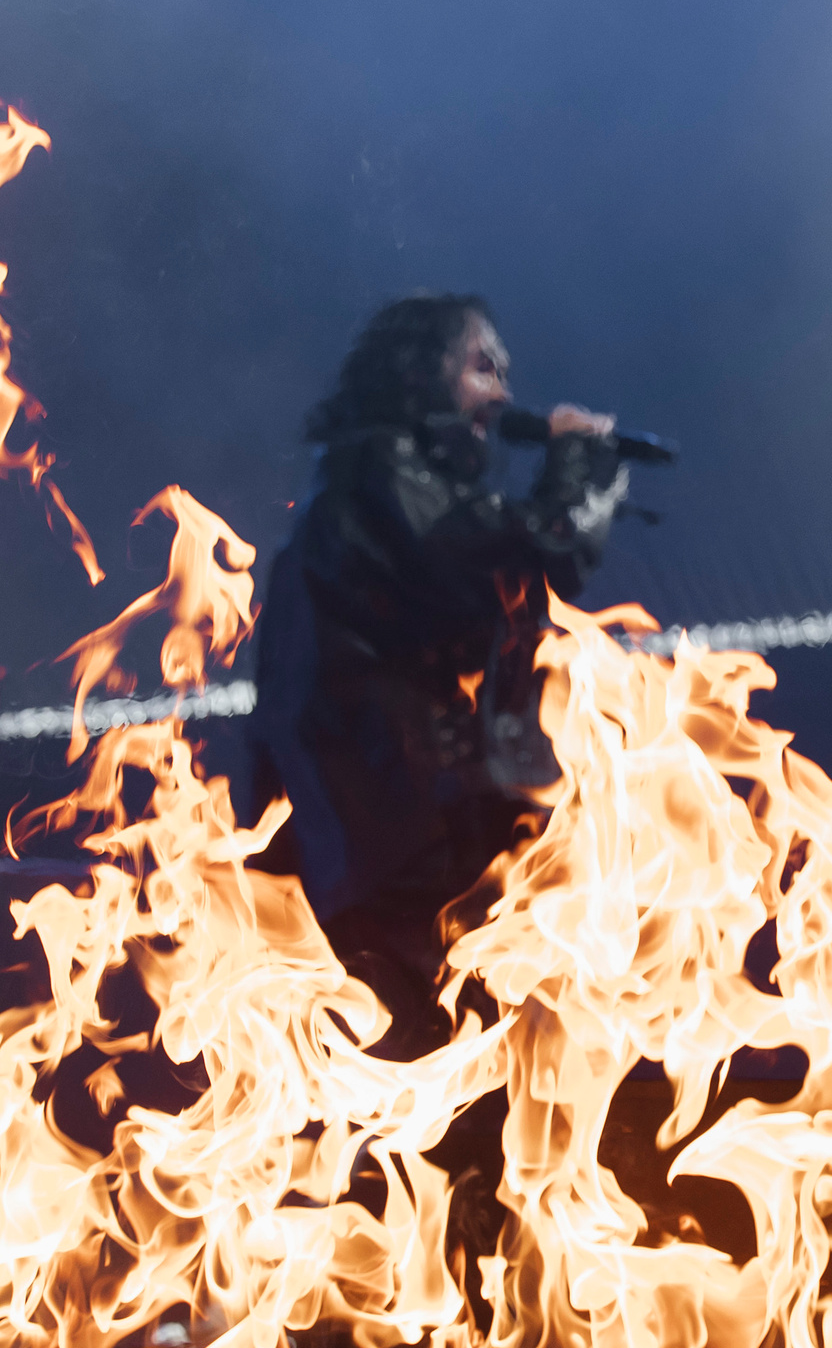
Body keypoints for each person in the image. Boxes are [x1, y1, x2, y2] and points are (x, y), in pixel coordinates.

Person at [247, 292, 628, 1051]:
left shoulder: (398, 482)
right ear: (422, 374)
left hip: (401, 844)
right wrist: (575, 460)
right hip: (380, 852)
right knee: (416, 1063)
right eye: (483, 366)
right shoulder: (379, 473)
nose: (504, 393)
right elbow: (535, 544)